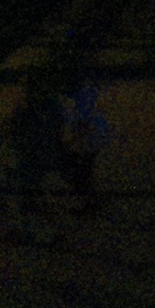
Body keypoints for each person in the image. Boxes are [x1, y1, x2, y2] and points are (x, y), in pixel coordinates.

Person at [0, 70, 69, 242]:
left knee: (22, 194)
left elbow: (10, 130)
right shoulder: (52, 108)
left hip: (29, 158)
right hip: (39, 157)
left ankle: (20, 229)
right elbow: (57, 133)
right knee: (27, 195)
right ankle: (28, 228)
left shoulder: (29, 110)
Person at [58, 71, 110, 216]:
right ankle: (90, 203)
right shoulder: (85, 94)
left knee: (81, 174)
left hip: (85, 144)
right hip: (87, 143)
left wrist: (73, 140)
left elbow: (82, 122)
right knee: (83, 173)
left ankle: (89, 204)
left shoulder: (82, 97)